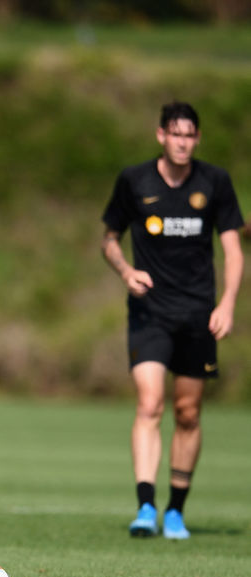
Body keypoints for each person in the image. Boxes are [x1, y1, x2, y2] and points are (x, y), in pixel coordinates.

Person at [100, 101, 244, 540]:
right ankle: (146, 506)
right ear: (161, 135)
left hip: (198, 312)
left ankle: (176, 510)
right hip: (150, 312)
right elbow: (109, 239)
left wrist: (227, 304)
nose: (182, 142)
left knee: (187, 411)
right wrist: (126, 272)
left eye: (189, 135)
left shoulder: (215, 182)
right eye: (175, 134)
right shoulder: (135, 180)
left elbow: (233, 250)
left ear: (197, 138)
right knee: (150, 403)